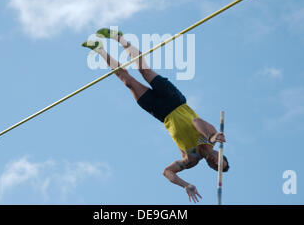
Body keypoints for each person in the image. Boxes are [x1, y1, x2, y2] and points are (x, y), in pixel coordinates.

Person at [82, 28, 229, 203]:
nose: (215, 163)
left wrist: (185, 185)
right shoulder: (210, 136)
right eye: (219, 162)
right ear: (220, 155)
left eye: (216, 167)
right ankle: (119, 38)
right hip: (175, 101)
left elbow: (167, 172)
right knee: (144, 70)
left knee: (128, 82)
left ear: (211, 167)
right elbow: (196, 121)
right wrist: (211, 136)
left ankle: (98, 49)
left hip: (161, 113)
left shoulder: (191, 159)